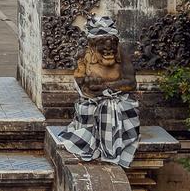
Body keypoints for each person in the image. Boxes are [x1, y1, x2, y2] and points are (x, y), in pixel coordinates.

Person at [53, 13, 140, 168]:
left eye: (112, 42)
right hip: (92, 99)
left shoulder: (121, 54)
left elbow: (131, 83)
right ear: (92, 45)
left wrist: (106, 87)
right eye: (102, 43)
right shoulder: (84, 55)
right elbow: (80, 81)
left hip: (118, 99)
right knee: (87, 110)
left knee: (124, 109)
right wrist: (88, 84)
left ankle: (116, 144)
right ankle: (90, 142)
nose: (108, 47)